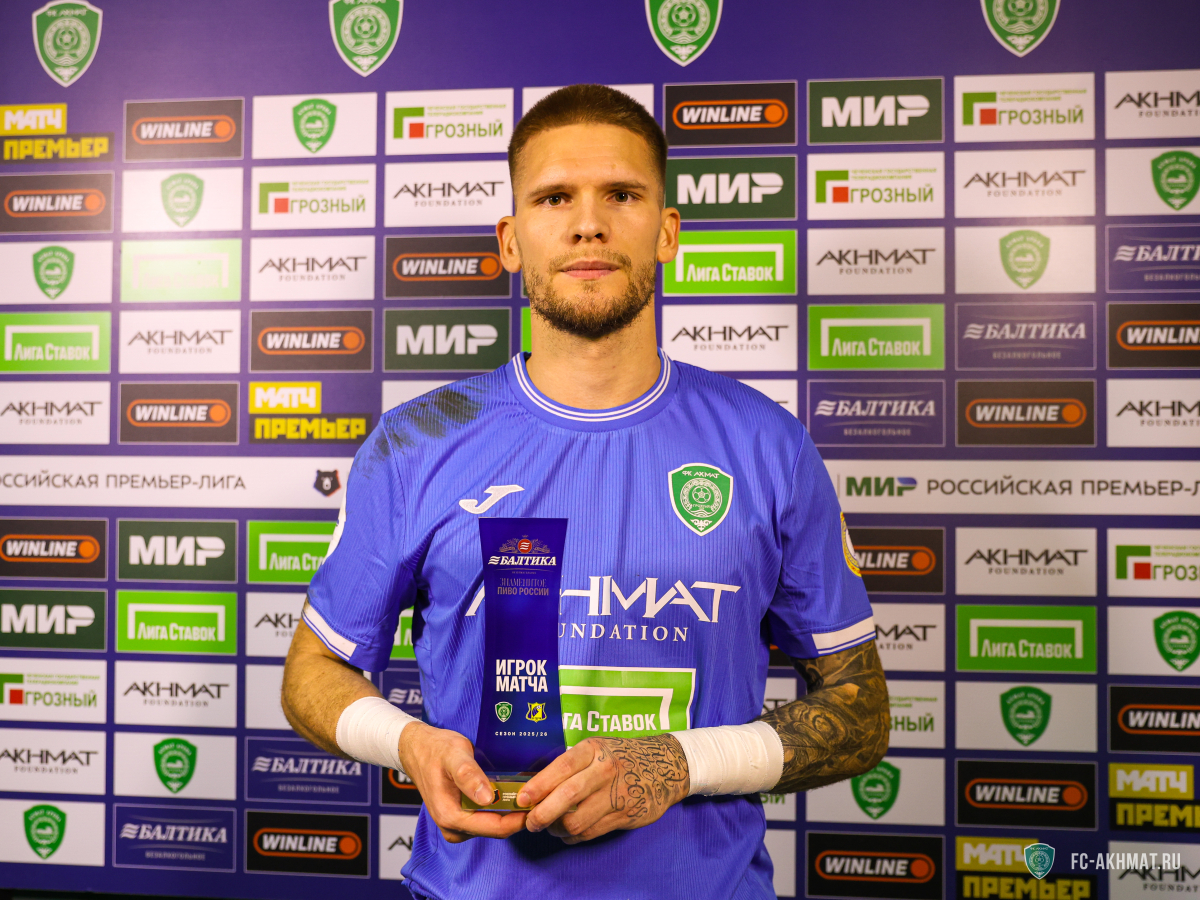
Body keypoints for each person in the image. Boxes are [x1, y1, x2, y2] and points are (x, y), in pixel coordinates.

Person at [282, 83, 889, 900]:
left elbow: (860, 709)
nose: (588, 224)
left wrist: (681, 763)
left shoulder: (768, 445)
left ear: (667, 231)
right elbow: (313, 671)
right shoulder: (415, 442)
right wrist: (410, 745)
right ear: (510, 240)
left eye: (623, 195)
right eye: (554, 197)